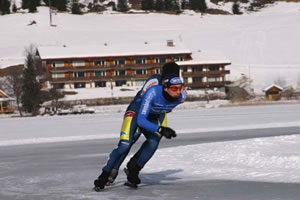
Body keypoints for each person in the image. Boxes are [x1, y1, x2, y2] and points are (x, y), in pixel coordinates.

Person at [94, 62, 186, 191]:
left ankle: (134, 168)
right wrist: (159, 128)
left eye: (179, 87)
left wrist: (161, 129)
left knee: (154, 141)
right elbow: (142, 117)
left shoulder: (182, 94)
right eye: (174, 88)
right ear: (165, 83)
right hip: (138, 111)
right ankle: (106, 173)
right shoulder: (154, 85)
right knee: (126, 143)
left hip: (155, 114)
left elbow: (165, 108)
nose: (178, 91)